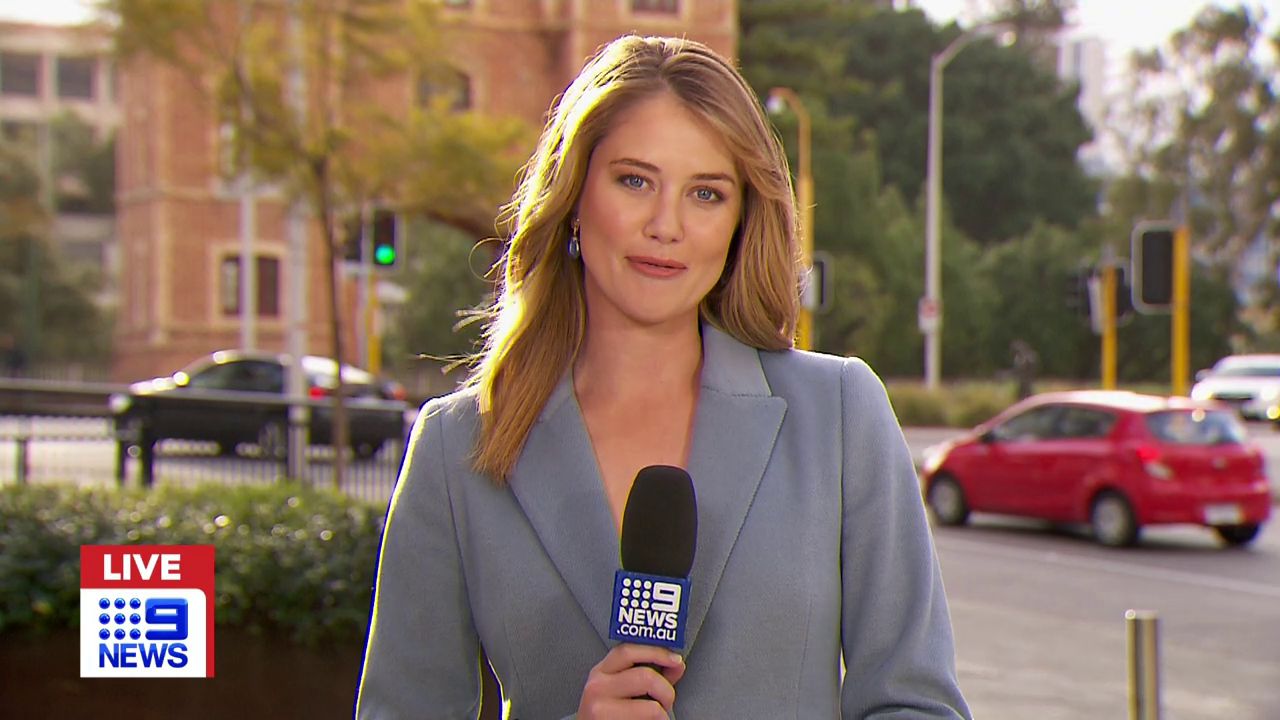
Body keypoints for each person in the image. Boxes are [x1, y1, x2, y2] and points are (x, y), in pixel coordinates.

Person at [356, 34, 971, 719]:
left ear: (740, 220)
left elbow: (916, 702)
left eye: (706, 193)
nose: (666, 225)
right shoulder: (459, 445)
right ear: (573, 196)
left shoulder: (839, 413)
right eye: (634, 180)